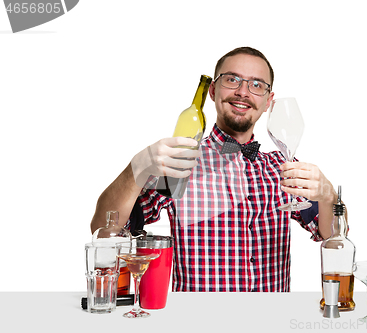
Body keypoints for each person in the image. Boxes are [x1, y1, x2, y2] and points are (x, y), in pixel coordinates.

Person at [91, 47, 338, 292]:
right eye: (232, 80)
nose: (243, 92)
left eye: (257, 85)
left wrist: (329, 196)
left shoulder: (283, 166)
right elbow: (103, 229)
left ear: (268, 103)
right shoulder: (179, 159)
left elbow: (333, 236)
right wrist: (138, 166)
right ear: (212, 90)